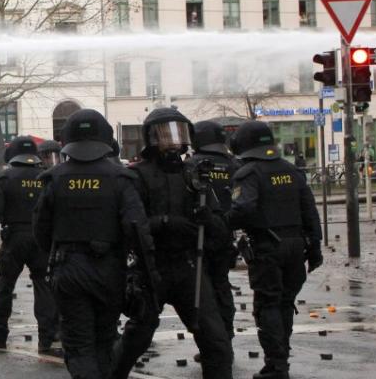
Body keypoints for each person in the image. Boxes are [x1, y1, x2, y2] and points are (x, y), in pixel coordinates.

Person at [33, 109, 156, 379]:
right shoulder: (122, 178)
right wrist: (147, 274)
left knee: (78, 345)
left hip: (68, 268)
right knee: (104, 339)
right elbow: (137, 229)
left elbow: (40, 230)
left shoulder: (54, 179)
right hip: (110, 269)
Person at [113, 108, 233, 379]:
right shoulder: (137, 175)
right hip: (151, 266)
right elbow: (132, 223)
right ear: (152, 138)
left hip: (189, 265)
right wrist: (165, 222)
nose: (172, 141)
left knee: (216, 341)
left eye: (177, 134)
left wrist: (208, 220)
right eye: (165, 135)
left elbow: (220, 227)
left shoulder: (193, 173)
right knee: (137, 338)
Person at [227, 121, 322, 379]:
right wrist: (315, 249)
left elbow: (243, 209)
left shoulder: (249, 173)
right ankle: (282, 357)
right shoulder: (291, 171)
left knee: (267, 305)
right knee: (284, 304)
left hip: (268, 248)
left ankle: (276, 366)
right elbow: (310, 213)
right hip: (296, 247)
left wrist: (221, 222)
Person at [0, 136, 58, 353]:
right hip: (41, 239)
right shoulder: (47, 177)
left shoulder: (4, 178)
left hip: (14, 239)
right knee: (43, 288)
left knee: (5, 287)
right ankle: (46, 339)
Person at [187, 120, 241, 343]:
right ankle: (226, 333)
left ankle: (210, 339)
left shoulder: (191, 164)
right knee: (221, 283)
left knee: (202, 288)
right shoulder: (233, 164)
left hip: (199, 234)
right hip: (226, 234)